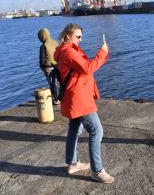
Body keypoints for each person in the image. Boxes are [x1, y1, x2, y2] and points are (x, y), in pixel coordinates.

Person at [54, 23, 114, 183]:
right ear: (67, 36)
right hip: (78, 98)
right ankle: (97, 170)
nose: (81, 39)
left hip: (73, 96)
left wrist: (101, 54)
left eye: (81, 36)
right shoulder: (68, 52)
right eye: (78, 36)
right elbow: (87, 68)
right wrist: (102, 53)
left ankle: (73, 164)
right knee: (96, 131)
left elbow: (84, 68)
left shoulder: (67, 50)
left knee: (74, 129)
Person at [38, 28, 60, 105]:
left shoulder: (43, 46)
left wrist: (42, 67)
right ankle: (60, 97)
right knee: (57, 82)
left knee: (52, 83)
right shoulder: (55, 42)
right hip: (57, 65)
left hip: (48, 68)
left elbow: (42, 61)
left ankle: (56, 99)